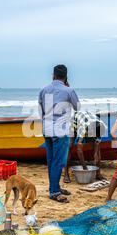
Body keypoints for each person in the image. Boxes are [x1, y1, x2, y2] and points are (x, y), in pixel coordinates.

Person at [39, 65, 80, 203]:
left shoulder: (44, 90)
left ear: (53, 75)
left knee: (51, 161)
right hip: (60, 130)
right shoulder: (69, 90)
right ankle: (54, 192)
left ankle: (54, 187)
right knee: (58, 161)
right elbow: (77, 107)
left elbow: (42, 109)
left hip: (47, 128)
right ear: (66, 76)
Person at [64, 110, 107, 183]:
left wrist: (96, 153)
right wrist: (84, 167)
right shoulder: (83, 128)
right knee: (70, 146)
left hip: (89, 121)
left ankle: (98, 174)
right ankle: (66, 174)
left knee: (97, 152)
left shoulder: (102, 127)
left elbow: (97, 141)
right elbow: (79, 150)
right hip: (74, 122)